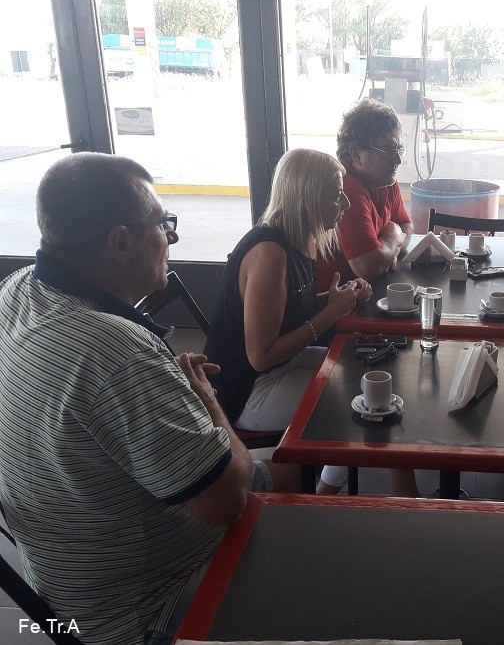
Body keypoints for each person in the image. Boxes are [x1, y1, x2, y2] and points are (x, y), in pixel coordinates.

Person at [0, 152, 299, 645]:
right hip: (143, 610)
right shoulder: (114, 352)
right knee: (306, 494)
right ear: (121, 243)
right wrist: (207, 401)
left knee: (287, 469)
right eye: (163, 224)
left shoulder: (14, 290)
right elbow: (227, 501)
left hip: (60, 587)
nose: (172, 237)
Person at [204, 148, 418, 497]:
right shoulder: (269, 253)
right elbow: (260, 356)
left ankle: (341, 490)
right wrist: (330, 313)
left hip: (280, 366)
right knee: (356, 404)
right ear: (306, 201)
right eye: (336, 195)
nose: (345, 204)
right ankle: (329, 495)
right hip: (248, 390)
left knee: (366, 371)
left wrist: (335, 299)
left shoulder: (295, 239)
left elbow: (287, 308)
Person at [315, 98, 413, 291]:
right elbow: (368, 267)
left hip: (364, 292)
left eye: (398, 149)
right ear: (355, 154)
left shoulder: (385, 180)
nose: (397, 160)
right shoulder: (345, 188)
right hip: (331, 302)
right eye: (387, 150)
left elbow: (406, 225)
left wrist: (388, 252)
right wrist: (393, 234)